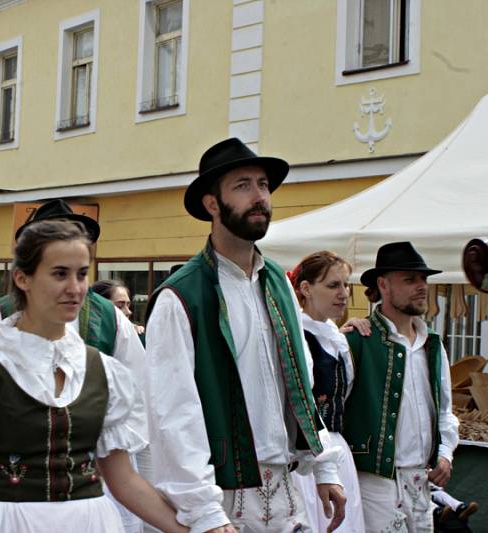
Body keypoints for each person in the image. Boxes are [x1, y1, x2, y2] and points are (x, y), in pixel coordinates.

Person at [0, 219, 186, 533]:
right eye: (60, 274)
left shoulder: (101, 369)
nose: (75, 288)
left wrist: (190, 529)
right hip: (7, 523)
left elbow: (124, 481)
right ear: (23, 278)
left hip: (89, 522)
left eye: (82, 274)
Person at [144, 137, 346, 533]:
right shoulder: (181, 296)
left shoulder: (278, 282)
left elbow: (300, 381)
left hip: (287, 489)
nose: (259, 196)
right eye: (243, 186)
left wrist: (324, 466)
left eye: (264, 185)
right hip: (221, 496)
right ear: (212, 204)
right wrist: (204, 511)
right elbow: (173, 412)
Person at [0, 199, 148, 533]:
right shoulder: (0, 314)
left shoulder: (109, 317)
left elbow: (139, 394)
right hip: (20, 481)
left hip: (95, 476)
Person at [343, 241, 459, 533]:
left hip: (421, 479)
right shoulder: (357, 340)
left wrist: (445, 452)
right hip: (372, 480)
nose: (421, 286)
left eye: (423, 279)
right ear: (383, 284)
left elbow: (445, 410)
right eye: (410, 279)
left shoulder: (432, 345)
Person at [287, 251, 366, 533]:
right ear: (305, 289)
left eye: (346, 285)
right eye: (333, 286)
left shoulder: (337, 338)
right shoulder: (295, 336)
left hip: (338, 450)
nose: (343, 294)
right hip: (308, 456)